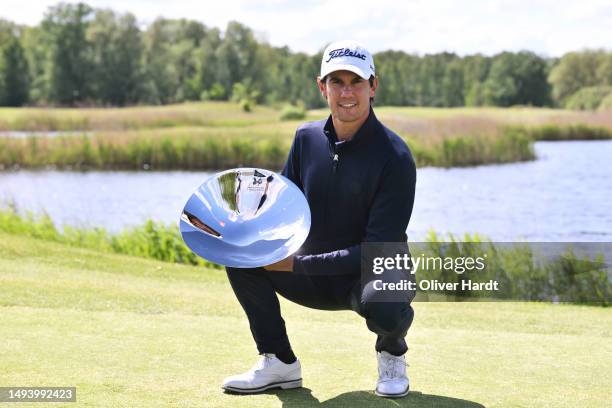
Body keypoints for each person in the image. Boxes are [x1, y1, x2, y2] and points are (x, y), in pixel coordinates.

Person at [222, 40, 417, 398]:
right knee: (240, 253)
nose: (346, 92)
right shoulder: (305, 139)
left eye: (356, 82)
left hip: (366, 278)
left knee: (387, 298)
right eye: (336, 81)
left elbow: (376, 252)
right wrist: (243, 225)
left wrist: (297, 263)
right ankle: (278, 361)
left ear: (373, 86)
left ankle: (392, 353)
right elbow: (282, 211)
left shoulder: (396, 156)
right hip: (312, 276)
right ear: (321, 86)